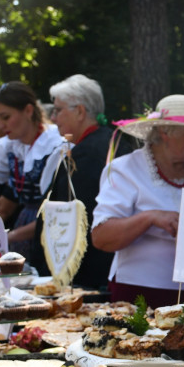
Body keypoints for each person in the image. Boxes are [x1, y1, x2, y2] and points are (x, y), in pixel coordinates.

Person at [91, 95, 184, 307]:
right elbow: (101, 237)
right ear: (165, 132)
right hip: (139, 293)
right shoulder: (125, 169)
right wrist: (150, 217)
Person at [34, 74, 126, 289]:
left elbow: (75, 221)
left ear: (80, 111)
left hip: (88, 279)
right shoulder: (110, 142)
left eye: (58, 110)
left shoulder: (90, 154)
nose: (54, 118)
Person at [0, 82, 65, 265]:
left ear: (28, 111)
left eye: (6, 117)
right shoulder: (12, 146)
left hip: (50, 232)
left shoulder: (54, 145)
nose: (1, 125)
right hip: (21, 233)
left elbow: (56, 213)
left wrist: (9, 236)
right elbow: (6, 203)